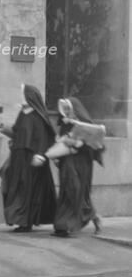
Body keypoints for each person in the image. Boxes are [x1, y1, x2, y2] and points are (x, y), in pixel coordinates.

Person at [41, 97, 103, 237]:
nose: (67, 111)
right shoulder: (65, 124)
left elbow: (92, 146)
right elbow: (61, 143)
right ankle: (63, 226)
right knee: (67, 192)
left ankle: (87, 218)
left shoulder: (85, 124)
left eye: (69, 108)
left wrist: (76, 144)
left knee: (74, 191)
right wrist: (58, 155)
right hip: (66, 163)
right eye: (65, 109)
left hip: (80, 164)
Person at [0, 84, 57, 232]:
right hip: (18, 158)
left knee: (28, 189)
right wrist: (5, 129)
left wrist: (40, 155)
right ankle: (20, 219)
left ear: (29, 97)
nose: (20, 96)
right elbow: (18, 133)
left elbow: (43, 138)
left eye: (22, 93)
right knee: (16, 188)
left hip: (32, 159)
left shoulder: (38, 116)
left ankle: (26, 222)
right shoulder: (22, 114)